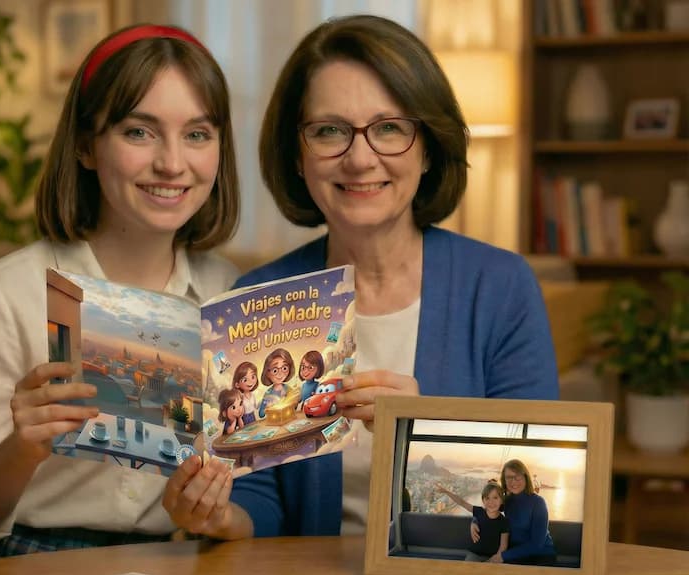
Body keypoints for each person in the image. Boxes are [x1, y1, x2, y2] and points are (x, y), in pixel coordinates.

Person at [161, 14, 558, 540]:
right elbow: (258, 503)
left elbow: (535, 485)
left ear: (428, 147)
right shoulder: (258, 300)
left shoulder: (501, 287)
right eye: (330, 131)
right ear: (298, 156)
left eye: (389, 128)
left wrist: (426, 429)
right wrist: (218, 517)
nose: (360, 157)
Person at [0, 23, 240, 564]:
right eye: (139, 132)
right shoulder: (8, 292)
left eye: (197, 133)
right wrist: (22, 449)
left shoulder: (229, 295)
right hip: (18, 558)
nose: (172, 163)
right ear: (86, 146)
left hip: (165, 564)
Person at [473, 459, 556, 565]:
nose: (513, 481)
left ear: (525, 477)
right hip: (515, 553)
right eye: (509, 477)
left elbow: (537, 544)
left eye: (517, 476)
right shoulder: (507, 501)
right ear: (504, 480)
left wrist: (503, 556)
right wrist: (474, 521)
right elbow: (488, 509)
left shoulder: (538, 503)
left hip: (541, 555)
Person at [435, 480, 509, 562]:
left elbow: (503, 546)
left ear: (501, 500)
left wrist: (495, 559)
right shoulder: (479, 511)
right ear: (483, 501)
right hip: (475, 554)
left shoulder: (504, 521)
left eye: (495, 497)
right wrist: (447, 492)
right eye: (487, 498)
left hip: (493, 557)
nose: (491, 502)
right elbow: (462, 502)